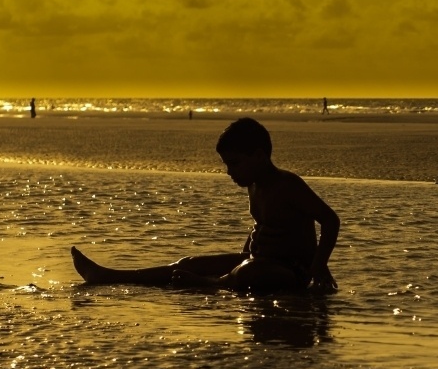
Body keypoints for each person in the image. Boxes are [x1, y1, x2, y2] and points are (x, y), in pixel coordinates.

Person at [71, 117, 339, 293]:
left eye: (234, 163)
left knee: (249, 273)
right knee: (188, 263)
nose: (229, 171)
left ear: (258, 156)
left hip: (291, 271)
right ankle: (113, 276)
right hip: (258, 259)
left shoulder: (287, 184)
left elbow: (329, 220)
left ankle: (208, 285)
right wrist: (246, 249)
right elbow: (264, 224)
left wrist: (318, 268)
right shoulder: (254, 185)